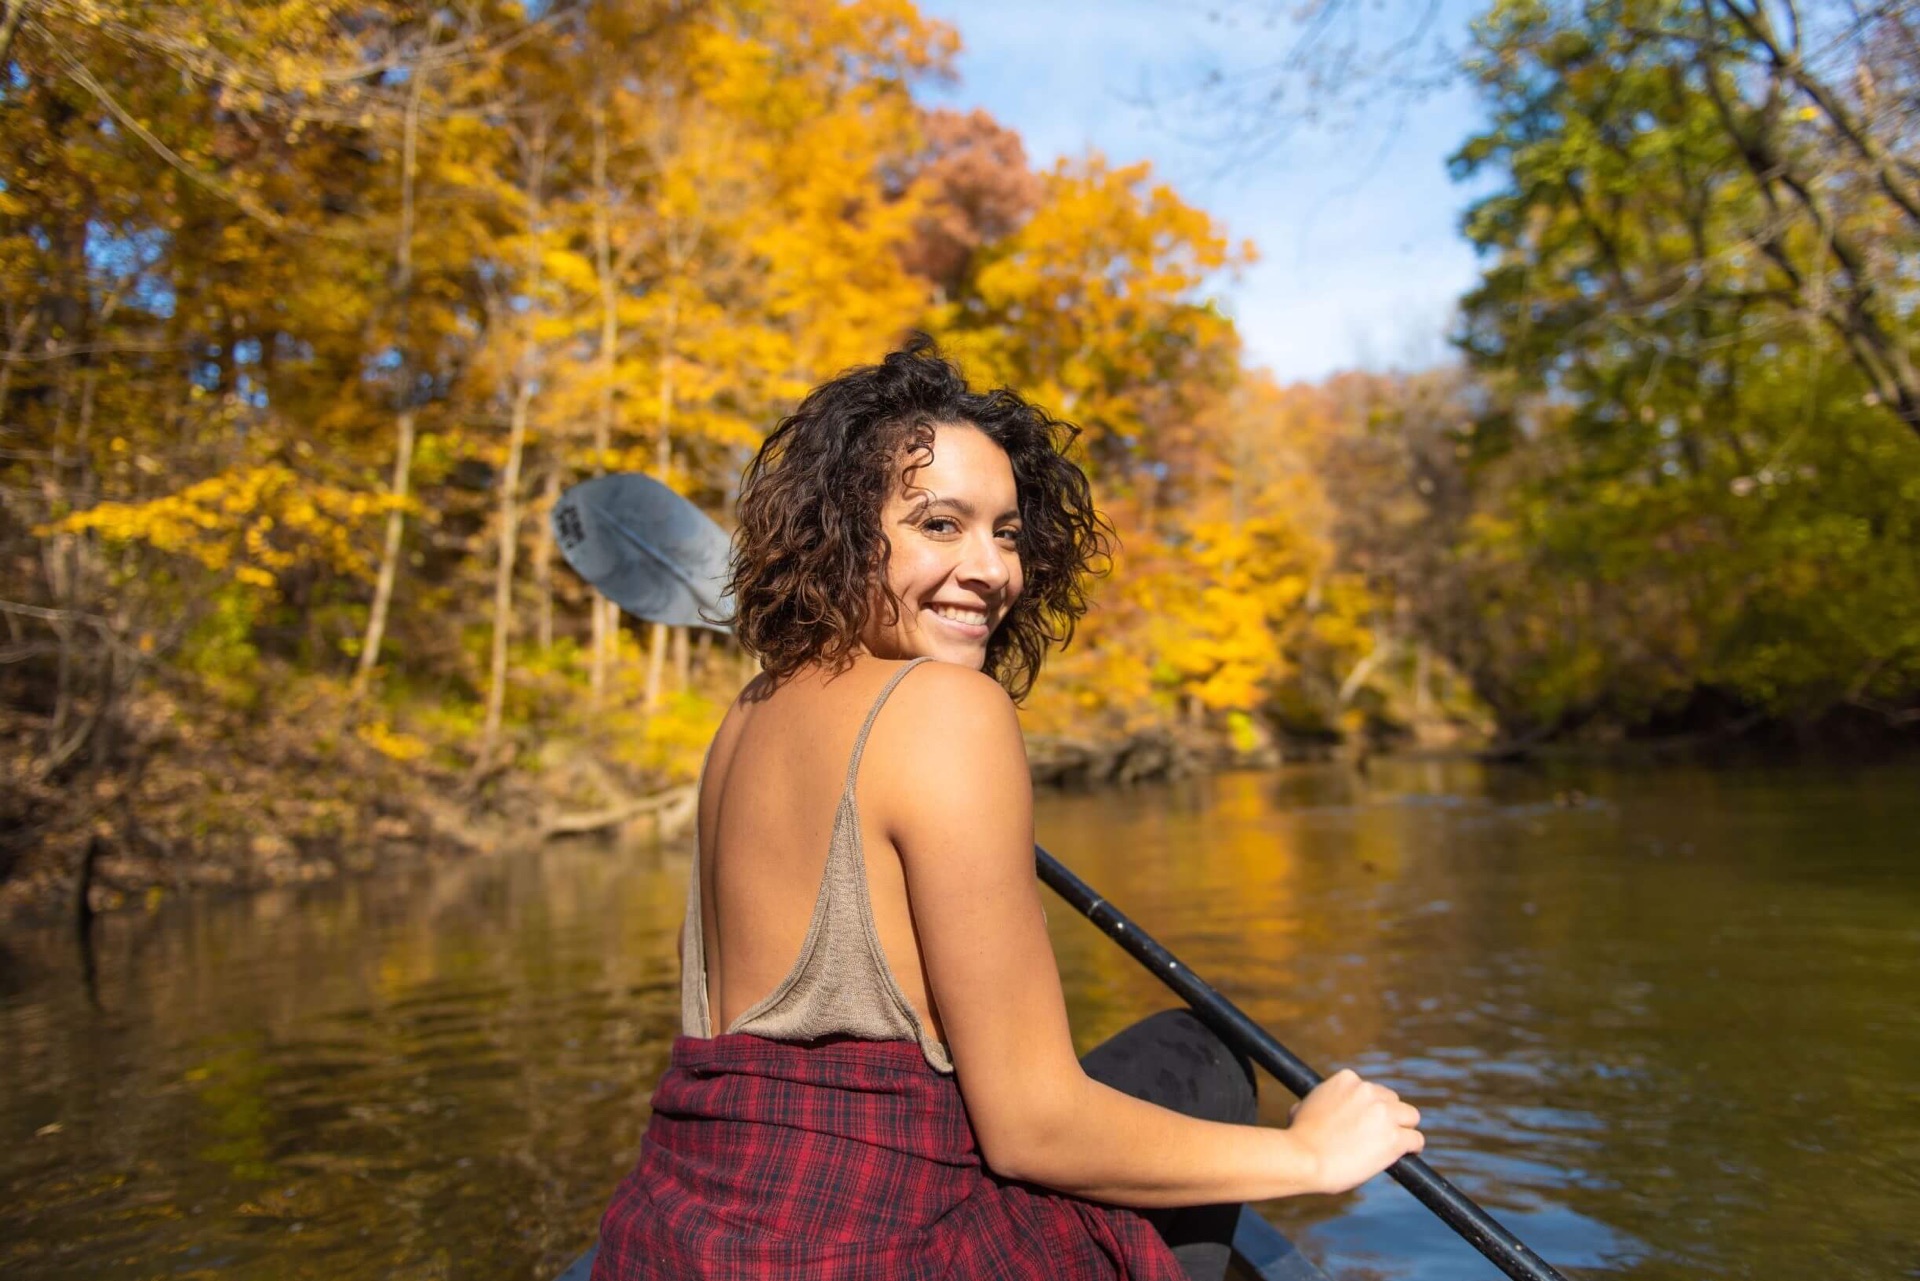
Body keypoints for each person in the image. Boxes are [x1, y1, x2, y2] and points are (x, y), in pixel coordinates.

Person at [590, 338, 1424, 1281]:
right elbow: (1034, 1128)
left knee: (1178, 1054)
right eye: (939, 524)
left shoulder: (747, 716)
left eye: (1009, 532)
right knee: (1208, 1052)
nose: (991, 569)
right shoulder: (951, 712)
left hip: (675, 1238)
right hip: (864, 1251)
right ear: (840, 532)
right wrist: (1309, 1157)